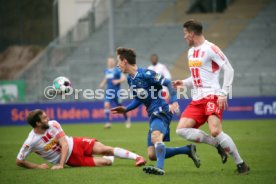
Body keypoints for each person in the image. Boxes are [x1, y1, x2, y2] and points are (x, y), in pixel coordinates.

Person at [172, 20, 250, 174]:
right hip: (197, 99)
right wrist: (184, 82)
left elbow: (229, 69)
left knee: (215, 130)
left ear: (192, 34)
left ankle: (241, 164)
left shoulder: (211, 48)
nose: (184, 37)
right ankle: (217, 144)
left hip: (212, 95)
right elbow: (197, 77)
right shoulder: (190, 52)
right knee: (181, 130)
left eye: (185, 34)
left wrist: (223, 93)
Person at [111, 47, 200, 175]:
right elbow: (139, 99)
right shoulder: (131, 79)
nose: (117, 65)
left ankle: (160, 168)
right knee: (152, 154)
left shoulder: (146, 74)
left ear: (125, 61)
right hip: (152, 114)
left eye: (118, 61)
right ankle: (187, 150)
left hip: (161, 110)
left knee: (156, 137)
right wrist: (126, 109)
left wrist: (174, 101)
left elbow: (169, 83)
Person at [16, 109, 146, 169]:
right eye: (44, 118)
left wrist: (60, 165)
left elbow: (64, 144)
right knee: (106, 163)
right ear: (37, 124)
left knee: (105, 149)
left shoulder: (53, 124)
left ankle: (137, 157)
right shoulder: (31, 141)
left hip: (75, 143)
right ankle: (113, 156)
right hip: (72, 160)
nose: (48, 119)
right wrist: (38, 167)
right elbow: (19, 161)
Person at [99, 57, 131, 128]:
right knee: (106, 105)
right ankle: (107, 123)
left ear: (114, 62)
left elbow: (123, 78)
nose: (110, 62)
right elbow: (106, 78)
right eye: (109, 61)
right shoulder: (106, 70)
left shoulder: (117, 70)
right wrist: (102, 84)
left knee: (120, 108)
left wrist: (117, 81)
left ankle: (127, 119)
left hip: (117, 93)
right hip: (109, 92)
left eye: (111, 61)